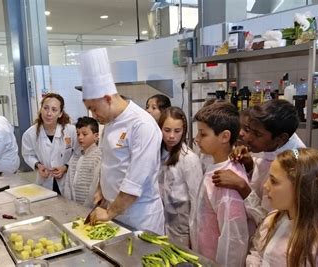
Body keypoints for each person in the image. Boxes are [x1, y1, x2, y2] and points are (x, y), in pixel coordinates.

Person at [79, 48, 165, 234]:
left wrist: (109, 213)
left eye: (94, 109)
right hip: (115, 210)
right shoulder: (109, 122)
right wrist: (102, 191)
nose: (93, 115)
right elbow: (108, 162)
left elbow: (135, 181)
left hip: (140, 216)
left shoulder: (142, 125)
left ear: (108, 98)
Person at [247, 148, 318, 266]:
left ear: (301, 189)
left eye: (274, 181)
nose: (266, 186)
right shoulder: (274, 220)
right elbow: (258, 255)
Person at [212, 99, 305, 225]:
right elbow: (261, 177)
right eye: (248, 129)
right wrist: (250, 165)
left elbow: (271, 222)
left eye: (257, 134)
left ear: (281, 138)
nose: (247, 138)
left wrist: (242, 186)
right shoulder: (270, 144)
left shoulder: (294, 165)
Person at [191, 102, 250, 266]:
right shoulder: (215, 165)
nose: (196, 139)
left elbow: (233, 241)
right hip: (205, 256)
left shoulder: (227, 180)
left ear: (225, 136)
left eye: (203, 134)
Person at [157, 107, 203, 248]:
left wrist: (194, 237)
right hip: (159, 223)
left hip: (182, 229)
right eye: (167, 130)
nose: (171, 136)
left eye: (177, 131)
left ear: (184, 132)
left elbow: (197, 201)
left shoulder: (189, 159)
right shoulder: (156, 154)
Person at [22, 93, 76, 195]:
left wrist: (65, 167)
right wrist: (38, 166)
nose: (49, 113)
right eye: (46, 108)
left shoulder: (70, 131)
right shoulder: (30, 134)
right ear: (41, 109)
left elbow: (77, 153)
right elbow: (28, 155)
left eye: (54, 110)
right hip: (44, 180)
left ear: (60, 113)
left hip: (66, 180)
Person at [63, 117, 102, 208]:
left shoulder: (99, 157)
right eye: (78, 134)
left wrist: (87, 207)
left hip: (90, 207)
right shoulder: (75, 155)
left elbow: (95, 186)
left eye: (84, 134)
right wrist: (69, 203)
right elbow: (68, 182)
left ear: (96, 136)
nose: (80, 137)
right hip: (73, 206)